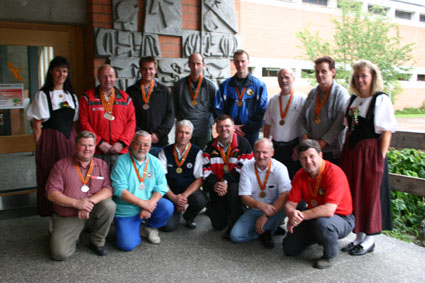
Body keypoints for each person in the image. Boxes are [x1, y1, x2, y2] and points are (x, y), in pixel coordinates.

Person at [339, 60, 397, 256]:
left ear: (373, 77)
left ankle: (370, 238)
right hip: (353, 152)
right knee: (355, 192)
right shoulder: (353, 100)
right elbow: (350, 128)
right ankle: (358, 236)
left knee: (370, 194)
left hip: (371, 154)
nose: (360, 79)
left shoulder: (380, 100)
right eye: (357, 76)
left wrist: (379, 160)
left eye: (364, 75)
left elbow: (386, 132)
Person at [282, 139, 354, 269]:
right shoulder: (300, 175)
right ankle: (318, 237)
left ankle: (329, 255)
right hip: (314, 216)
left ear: (320, 155)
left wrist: (301, 215)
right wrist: (292, 214)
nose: (308, 161)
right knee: (289, 248)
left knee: (324, 224)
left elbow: (328, 210)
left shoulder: (334, 173)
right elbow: (290, 204)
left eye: (311, 156)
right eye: (304, 158)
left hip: (341, 218)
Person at [45, 131, 116, 260]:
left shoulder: (101, 165)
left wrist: (89, 202)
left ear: (95, 147)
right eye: (83, 145)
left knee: (109, 205)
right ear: (75, 146)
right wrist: (77, 203)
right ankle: (61, 230)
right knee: (59, 254)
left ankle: (97, 241)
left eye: (90, 145)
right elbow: (51, 193)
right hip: (69, 214)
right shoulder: (61, 166)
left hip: (91, 210)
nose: (87, 149)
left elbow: (108, 189)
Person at [26, 56, 79, 217]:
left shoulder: (72, 95)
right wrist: (41, 148)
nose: (61, 74)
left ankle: (71, 209)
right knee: (51, 174)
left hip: (70, 140)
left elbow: (73, 122)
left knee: (71, 174)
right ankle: (52, 215)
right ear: (51, 72)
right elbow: (36, 125)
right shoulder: (43, 95)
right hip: (50, 141)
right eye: (58, 70)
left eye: (64, 71)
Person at [111, 130, 174, 251]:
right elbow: (120, 190)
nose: (142, 148)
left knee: (167, 206)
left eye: (146, 145)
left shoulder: (155, 162)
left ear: (150, 147)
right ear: (132, 143)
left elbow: (161, 187)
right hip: (127, 209)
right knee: (126, 245)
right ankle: (130, 228)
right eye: (138, 143)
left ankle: (150, 227)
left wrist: (148, 206)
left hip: (148, 205)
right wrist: (143, 204)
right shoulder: (121, 161)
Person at [230, 138, 291, 248]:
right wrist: (260, 206)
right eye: (257, 152)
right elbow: (244, 197)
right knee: (236, 236)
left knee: (290, 201)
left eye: (264, 152)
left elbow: (285, 195)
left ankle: (267, 226)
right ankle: (267, 230)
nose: (260, 156)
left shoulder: (280, 168)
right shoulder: (247, 167)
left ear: (272, 153)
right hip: (254, 209)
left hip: (275, 208)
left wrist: (266, 216)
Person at [203, 115, 254, 238]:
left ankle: (234, 220)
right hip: (218, 188)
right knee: (217, 225)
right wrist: (216, 184)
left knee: (233, 188)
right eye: (220, 126)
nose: (223, 129)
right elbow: (205, 170)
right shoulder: (209, 146)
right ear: (216, 129)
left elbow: (244, 168)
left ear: (233, 128)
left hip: (234, 186)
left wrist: (225, 181)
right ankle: (227, 211)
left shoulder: (244, 144)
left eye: (227, 126)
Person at [79, 64, 136, 169]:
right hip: (96, 151)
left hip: (120, 151)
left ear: (115, 77)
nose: (108, 79)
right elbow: (83, 122)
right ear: (98, 78)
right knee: (97, 183)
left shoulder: (126, 99)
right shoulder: (87, 98)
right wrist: (98, 142)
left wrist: (122, 143)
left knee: (120, 183)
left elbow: (131, 123)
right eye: (104, 76)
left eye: (111, 76)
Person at [158, 120, 208, 231]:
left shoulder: (197, 152)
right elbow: (160, 179)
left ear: (191, 135)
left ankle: (189, 217)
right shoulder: (165, 151)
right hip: (170, 193)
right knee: (168, 227)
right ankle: (175, 210)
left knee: (201, 200)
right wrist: (174, 198)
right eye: (180, 132)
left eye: (187, 133)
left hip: (188, 192)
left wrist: (183, 197)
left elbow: (200, 179)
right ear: (176, 133)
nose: (183, 136)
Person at [299, 56, 349, 164]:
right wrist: (305, 140)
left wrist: (320, 145)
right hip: (310, 151)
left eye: (324, 71)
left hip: (331, 151)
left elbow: (339, 124)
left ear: (333, 72)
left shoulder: (341, 94)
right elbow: (302, 117)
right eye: (317, 72)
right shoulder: (313, 93)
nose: (320, 75)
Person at [214, 49, 268, 148]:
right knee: (229, 161)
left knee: (250, 161)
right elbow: (217, 110)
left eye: (243, 61)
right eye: (237, 61)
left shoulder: (259, 86)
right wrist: (231, 127)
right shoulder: (225, 86)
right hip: (229, 132)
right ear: (234, 62)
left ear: (248, 62)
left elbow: (263, 112)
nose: (240, 64)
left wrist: (246, 129)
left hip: (250, 133)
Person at [126, 56, 175, 156]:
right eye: (144, 69)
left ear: (155, 70)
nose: (147, 72)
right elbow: (128, 116)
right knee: (138, 171)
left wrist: (158, 134)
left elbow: (170, 115)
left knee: (158, 171)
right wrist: (140, 135)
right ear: (140, 70)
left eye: (150, 69)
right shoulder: (131, 91)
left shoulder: (164, 91)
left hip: (159, 142)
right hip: (138, 143)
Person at [263, 68, 306, 178]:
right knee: (276, 178)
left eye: (287, 77)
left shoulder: (302, 98)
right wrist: (266, 146)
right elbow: (267, 125)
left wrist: (300, 147)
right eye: (280, 77)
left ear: (293, 79)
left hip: (294, 147)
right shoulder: (273, 99)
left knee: (293, 178)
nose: (283, 80)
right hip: (276, 148)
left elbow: (306, 126)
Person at [172, 53, 217, 149]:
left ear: (203, 65)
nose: (195, 67)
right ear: (188, 65)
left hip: (203, 132)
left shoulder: (211, 86)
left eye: (198, 64)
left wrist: (209, 124)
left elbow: (215, 110)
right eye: (193, 64)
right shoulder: (179, 85)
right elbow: (174, 109)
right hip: (184, 132)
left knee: (204, 159)